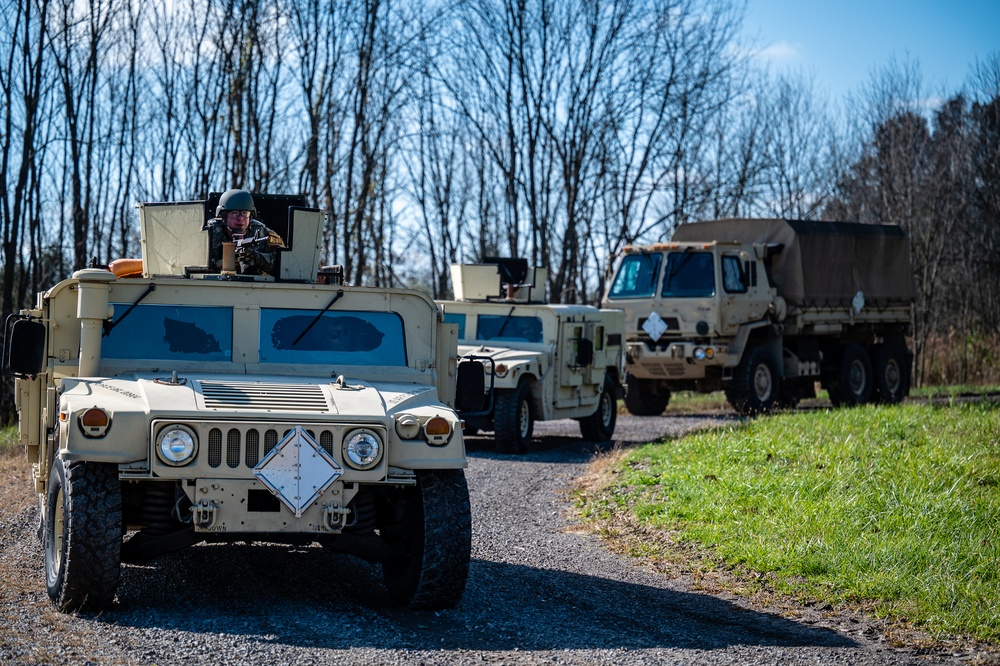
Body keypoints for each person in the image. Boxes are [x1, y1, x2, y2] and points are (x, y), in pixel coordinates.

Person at [204, 189, 285, 275]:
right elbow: (194, 263)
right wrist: (218, 264)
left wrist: (259, 259)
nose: (240, 218)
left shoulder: (262, 232)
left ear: (251, 216)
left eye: (244, 213)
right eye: (234, 213)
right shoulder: (209, 232)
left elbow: (285, 263)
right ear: (223, 216)